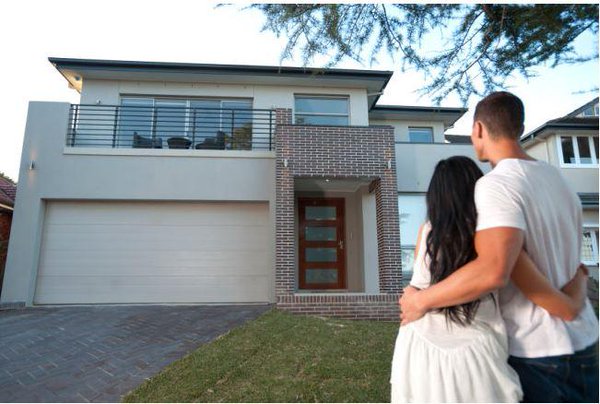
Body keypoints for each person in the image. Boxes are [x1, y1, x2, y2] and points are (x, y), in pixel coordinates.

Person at [399, 92, 599, 402]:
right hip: (586, 341)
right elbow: (570, 264)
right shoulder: (560, 180)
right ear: (519, 127)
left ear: (478, 129)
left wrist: (420, 301)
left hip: (538, 348)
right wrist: (578, 291)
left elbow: (493, 269)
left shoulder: (495, 185)